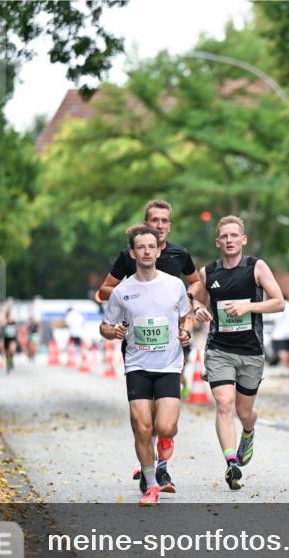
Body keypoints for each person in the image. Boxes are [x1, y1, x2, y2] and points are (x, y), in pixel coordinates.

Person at [96, 199, 201, 494]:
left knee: (165, 425)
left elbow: (191, 299)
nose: (160, 226)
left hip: (169, 358)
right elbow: (105, 303)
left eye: (165, 221)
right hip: (137, 360)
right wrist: (115, 325)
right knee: (142, 425)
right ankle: (151, 481)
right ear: (134, 251)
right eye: (154, 220)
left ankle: (163, 445)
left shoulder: (176, 270)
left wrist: (186, 328)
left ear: (159, 249)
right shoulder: (124, 286)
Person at [190, 216, 285, 490]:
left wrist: (248, 308)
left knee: (244, 412)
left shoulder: (256, 267)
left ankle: (249, 430)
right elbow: (196, 299)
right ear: (218, 241)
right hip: (219, 349)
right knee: (224, 404)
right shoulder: (209, 272)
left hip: (251, 352)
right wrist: (198, 309)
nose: (229, 240)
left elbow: (279, 303)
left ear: (243, 240)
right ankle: (231, 463)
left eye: (234, 236)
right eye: (224, 236)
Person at [2, 308, 19, 373]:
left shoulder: (13, 321)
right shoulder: (4, 321)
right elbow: (1, 326)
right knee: (7, 353)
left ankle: (11, 363)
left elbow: (16, 327)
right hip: (6, 338)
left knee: (12, 351)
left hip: (12, 338)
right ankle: (9, 365)